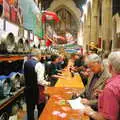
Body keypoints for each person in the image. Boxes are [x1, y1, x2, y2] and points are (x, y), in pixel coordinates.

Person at [84, 51, 120, 120]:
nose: (90, 69)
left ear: (110, 66)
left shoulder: (111, 86)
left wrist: (91, 112)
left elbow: (107, 117)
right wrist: (103, 94)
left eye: (92, 66)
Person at [24, 49, 50, 120]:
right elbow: (40, 81)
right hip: (37, 90)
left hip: (28, 89)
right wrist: (47, 83)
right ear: (39, 55)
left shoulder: (26, 63)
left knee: (30, 109)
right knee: (41, 108)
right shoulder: (39, 65)